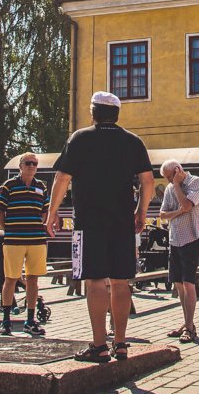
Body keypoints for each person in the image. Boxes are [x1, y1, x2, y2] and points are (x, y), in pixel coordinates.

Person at [46, 91, 154, 364]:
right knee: (120, 281)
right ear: (117, 114)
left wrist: (53, 212)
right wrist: (140, 211)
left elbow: (62, 177)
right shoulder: (133, 141)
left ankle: (98, 346)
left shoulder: (80, 138)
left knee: (94, 280)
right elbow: (148, 181)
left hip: (89, 221)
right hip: (122, 221)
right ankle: (120, 344)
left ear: (93, 112)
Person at [0, 152, 50, 337]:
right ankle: (6, 320)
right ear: (20, 166)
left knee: (33, 279)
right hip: (14, 240)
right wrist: (9, 230)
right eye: (28, 163)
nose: (32, 166)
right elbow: (0, 212)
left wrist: (40, 225)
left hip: (37, 240)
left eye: (34, 163)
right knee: (10, 278)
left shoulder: (41, 186)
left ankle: (30, 320)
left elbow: (45, 211)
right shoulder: (9, 186)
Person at [159, 159, 199, 343]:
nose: (169, 181)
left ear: (178, 170)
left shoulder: (196, 182)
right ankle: (187, 323)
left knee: (188, 283)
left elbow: (187, 205)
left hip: (191, 238)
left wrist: (178, 185)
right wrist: (178, 212)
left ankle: (190, 326)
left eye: (170, 176)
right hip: (175, 239)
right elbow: (163, 214)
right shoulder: (170, 188)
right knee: (178, 284)